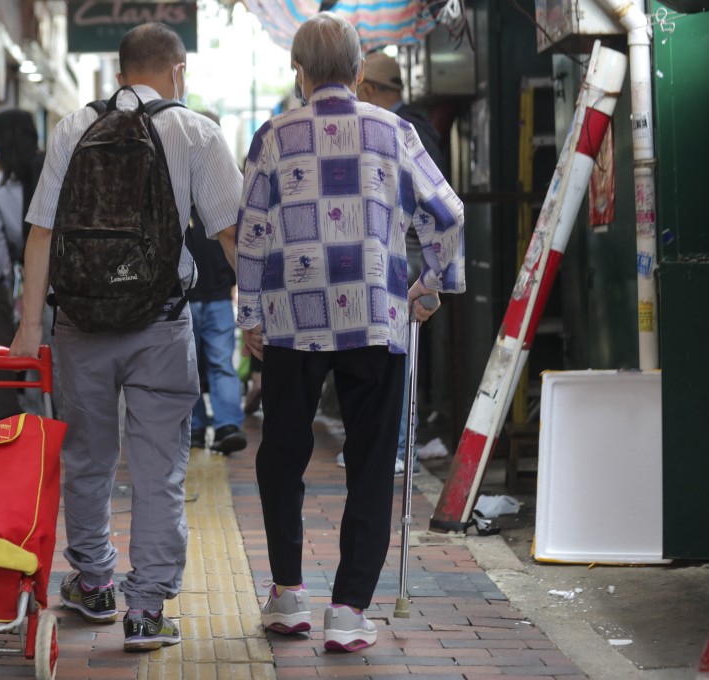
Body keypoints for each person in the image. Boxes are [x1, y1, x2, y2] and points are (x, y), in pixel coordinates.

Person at [8, 23, 243, 652]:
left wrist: (30, 326)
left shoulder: (71, 127)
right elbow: (232, 234)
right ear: (178, 71)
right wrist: (265, 315)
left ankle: (93, 583)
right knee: (158, 469)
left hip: (79, 322)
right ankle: (145, 611)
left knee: (86, 459)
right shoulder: (196, 131)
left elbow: (40, 233)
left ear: (118, 73)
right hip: (161, 324)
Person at [235, 13, 465, 652]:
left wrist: (249, 316)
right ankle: (348, 608)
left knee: (282, 451)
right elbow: (448, 211)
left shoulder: (274, 136)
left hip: (292, 320)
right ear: (360, 71)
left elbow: (251, 231)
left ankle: (286, 594)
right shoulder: (395, 131)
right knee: (369, 462)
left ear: (298, 71)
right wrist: (430, 284)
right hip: (374, 316)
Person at [336, 51, 449, 475]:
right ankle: (392, 445)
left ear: (367, 89)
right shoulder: (417, 124)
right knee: (393, 349)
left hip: (408, 249)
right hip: (413, 249)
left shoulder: (402, 129)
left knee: (396, 350)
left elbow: (441, 207)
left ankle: (400, 448)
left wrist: (433, 281)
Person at [0, 109, 48, 421]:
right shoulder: (54, 175)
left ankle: (36, 427)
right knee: (60, 361)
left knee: (34, 358)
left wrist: (4, 291)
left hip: (32, 281)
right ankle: (65, 427)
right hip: (68, 283)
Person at [185, 116, 247, 454]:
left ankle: (221, 425)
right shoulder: (224, 182)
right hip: (202, 295)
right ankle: (211, 425)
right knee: (210, 363)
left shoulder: (188, 179)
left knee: (200, 364)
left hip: (212, 295)